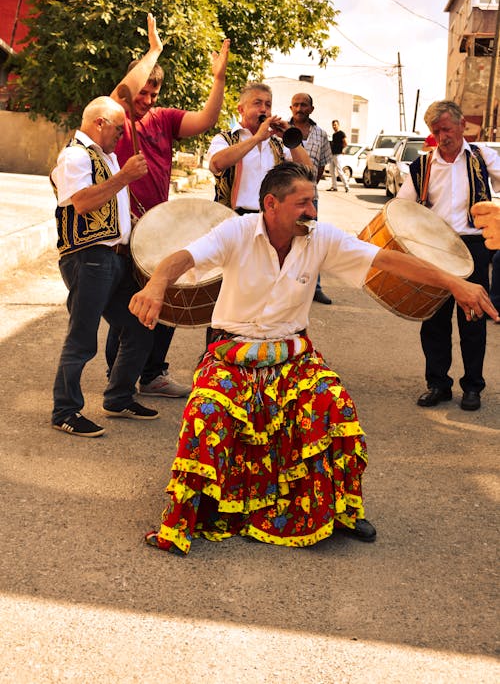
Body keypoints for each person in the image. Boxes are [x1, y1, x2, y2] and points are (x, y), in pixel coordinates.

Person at [129, 162, 497, 554]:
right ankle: (195, 508)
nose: (313, 212)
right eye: (303, 203)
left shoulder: (321, 238)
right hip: (230, 354)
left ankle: (340, 510)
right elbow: (182, 257)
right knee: (205, 413)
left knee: (334, 404)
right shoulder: (237, 230)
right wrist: (156, 284)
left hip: (293, 355)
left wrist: (456, 283)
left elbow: (387, 261)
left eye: (315, 202)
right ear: (271, 204)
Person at [106, 13, 231, 399]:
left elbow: (206, 119)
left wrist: (219, 80)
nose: (146, 101)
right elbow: (121, 94)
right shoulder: (117, 116)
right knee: (131, 310)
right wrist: (154, 50)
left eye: (153, 95)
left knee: (169, 303)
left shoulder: (163, 119)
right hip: (126, 233)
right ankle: (120, 377)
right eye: (142, 93)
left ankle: (153, 374)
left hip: (158, 231)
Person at [51, 96, 159, 438]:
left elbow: (108, 204)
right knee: (82, 338)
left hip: (113, 259)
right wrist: (124, 177)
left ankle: (118, 397)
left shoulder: (105, 156)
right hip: (88, 257)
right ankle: (65, 410)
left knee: (141, 325)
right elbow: (83, 203)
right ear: (99, 123)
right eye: (117, 129)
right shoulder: (74, 156)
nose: (121, 137)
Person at [397, 100, 500, 411]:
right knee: (434, 321)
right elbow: (403, 208)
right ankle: (438, 384)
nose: (442, 135)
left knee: (473, 318)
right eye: (435, 130)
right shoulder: (422, 166)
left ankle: (473, 387)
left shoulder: (483, 156)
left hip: (473, 247)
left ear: (461, 126)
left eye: (446, 128)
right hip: (435, 250)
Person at [207, 82, 312, 214]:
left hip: (270, 219)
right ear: (241, 110)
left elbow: (308, 172)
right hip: (232, 218)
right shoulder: (224, 139)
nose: (264, 110)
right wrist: (256, 138)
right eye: (257, 103)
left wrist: (290, 137)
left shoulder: (278, 144)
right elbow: (216, 163)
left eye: (268, 105)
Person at [289, 91, 333, 304]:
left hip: (309, 198)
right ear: (290, 108)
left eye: (304, 105)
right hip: (284, 197)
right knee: (282, 239)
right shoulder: (281, 132)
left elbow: (322, 166)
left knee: (310, 239)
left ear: (311, 109)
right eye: (295, 105)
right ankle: (285, 287)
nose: (299, 108)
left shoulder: (321, 134)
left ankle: (314, 288)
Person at [327, 119, 350, 193]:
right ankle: (334, 187)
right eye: (333, 125)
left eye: (335, 125)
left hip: (338, 155)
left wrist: (343, 149)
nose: (334, 126)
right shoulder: (334, 135)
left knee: (339, 171)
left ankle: (347, 186)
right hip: (332, 155)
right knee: (331, 171)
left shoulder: (341, 133)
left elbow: (346, 142)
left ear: (338, 125)